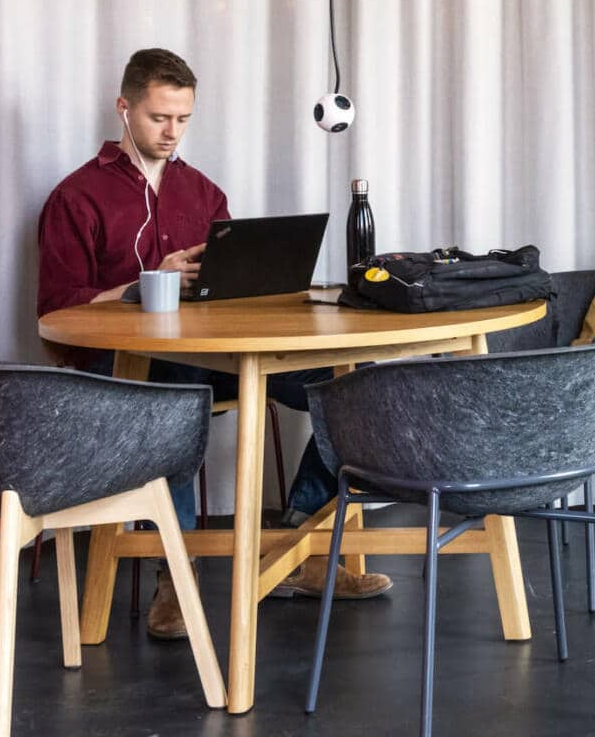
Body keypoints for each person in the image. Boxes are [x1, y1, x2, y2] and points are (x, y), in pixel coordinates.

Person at [36, 47, 391, 640]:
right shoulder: (78, 197)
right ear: (124, 109)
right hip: (124, 367)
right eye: (158, 118)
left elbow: (231, 291)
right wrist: (148, 284)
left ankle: (296, 546)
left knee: (355, 384)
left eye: (183, 119)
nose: (172, 132)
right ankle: (174, 574)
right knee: (178, 388)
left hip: (213, 356)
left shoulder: (202, 193)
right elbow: (55, 311)